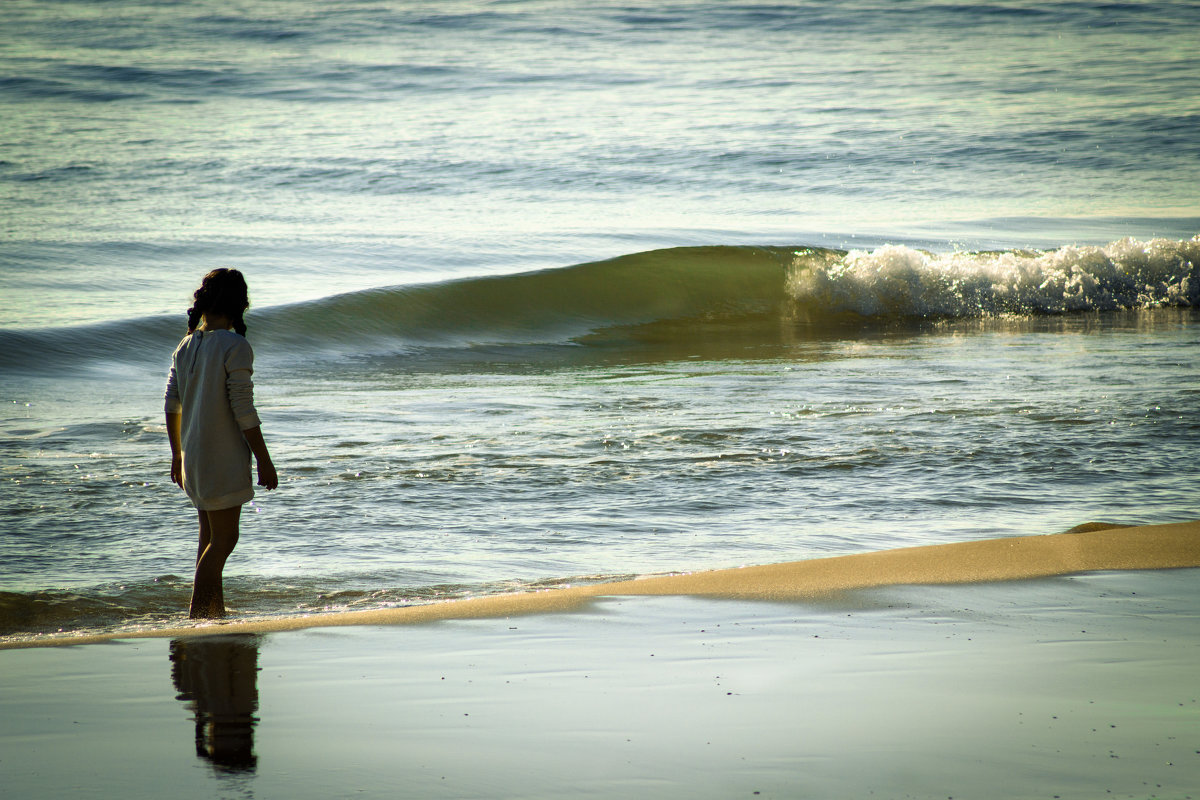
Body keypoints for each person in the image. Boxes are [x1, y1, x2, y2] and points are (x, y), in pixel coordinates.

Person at [165, 268, 277, 619]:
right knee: (225, 540)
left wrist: (177, 456)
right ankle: (198, 614)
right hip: (222, 457)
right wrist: (264, 459)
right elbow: (243, 409)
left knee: (209, 539)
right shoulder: (235, 346)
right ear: (239, 305)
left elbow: (172, 403)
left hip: (194, 457)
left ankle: (213, 614)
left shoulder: (185, 345)